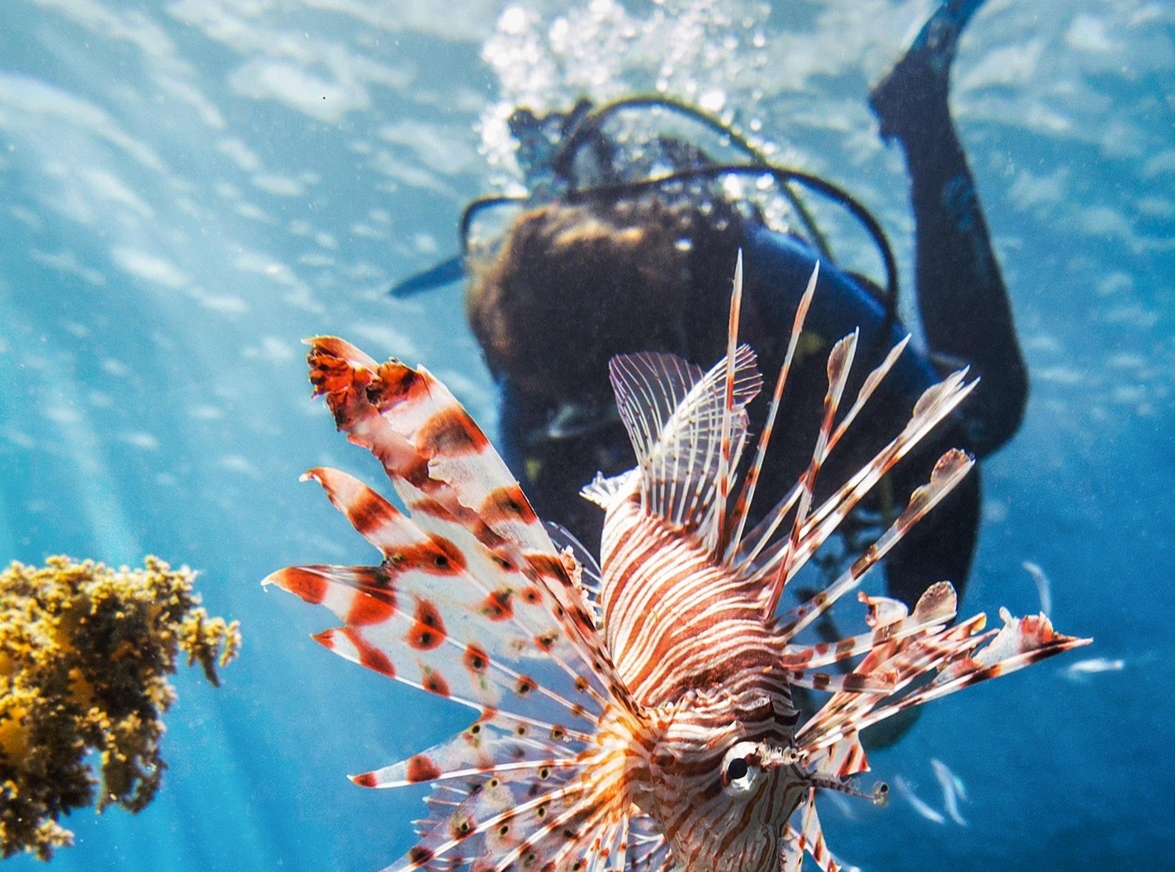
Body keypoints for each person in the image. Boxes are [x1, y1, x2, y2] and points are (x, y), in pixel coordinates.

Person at [404, 0, 1024, 628]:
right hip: (746, 504)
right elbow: (567, 610)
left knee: (990, 406)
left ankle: (918, 105)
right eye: (586, 410)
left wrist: (916, 639)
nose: (631, 438)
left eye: (622, 396)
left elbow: (936, 427)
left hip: (806, 410)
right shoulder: (535, 408)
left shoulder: (758, 279)